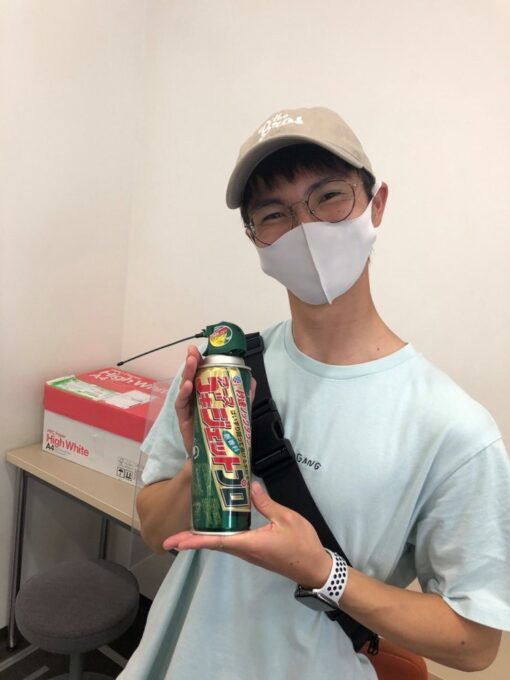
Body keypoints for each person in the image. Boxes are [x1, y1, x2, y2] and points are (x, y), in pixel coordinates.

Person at [119, 107, 510, 679]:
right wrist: (202, 463)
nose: (304, 228)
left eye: (329, 197)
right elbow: (157, 534)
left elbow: (475, 645)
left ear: (376, 204)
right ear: (256, 240)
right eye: (274, 214)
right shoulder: (226, 374)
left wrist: (324, 572)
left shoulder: (453, 428)